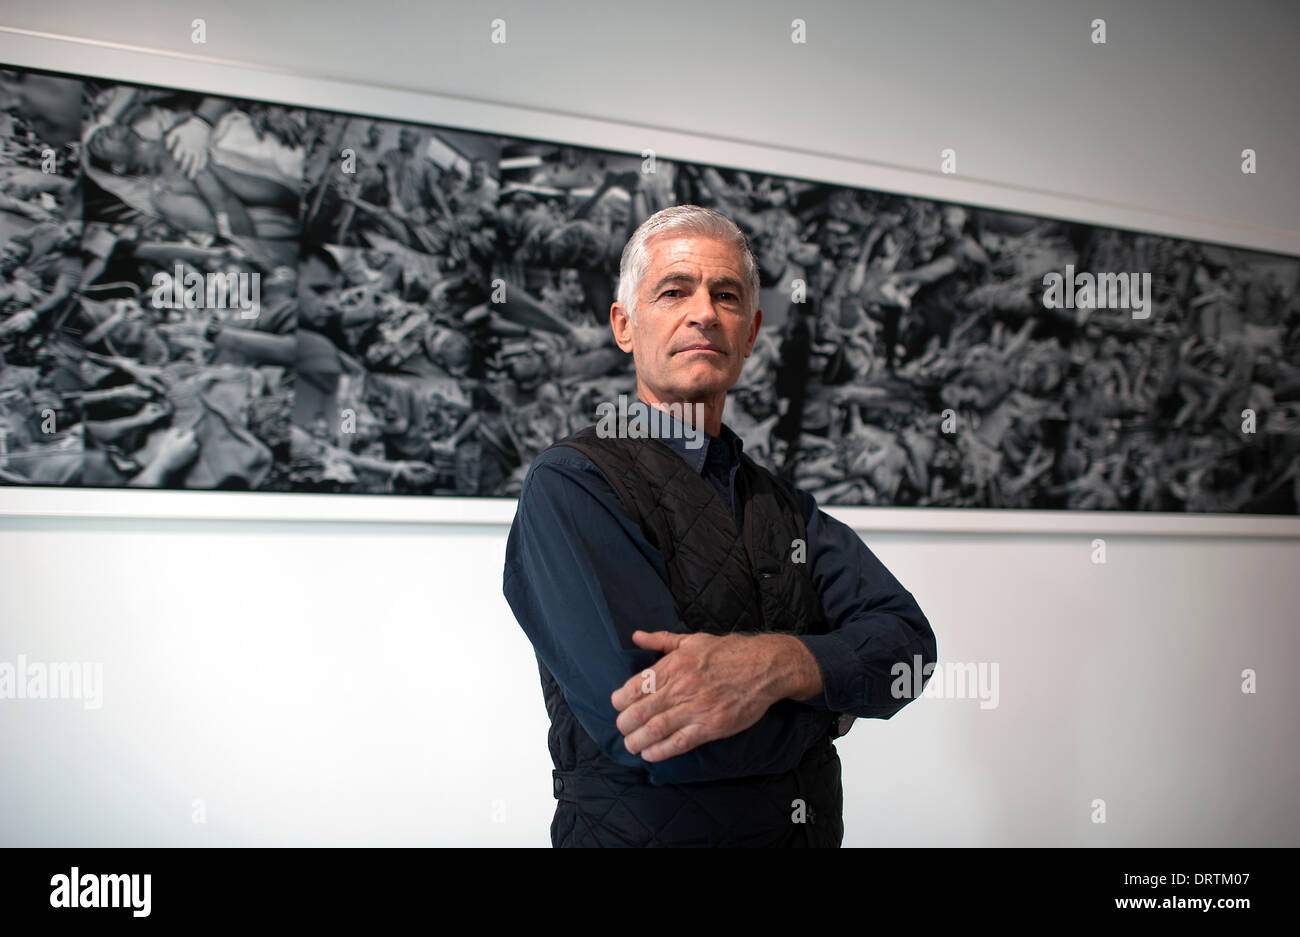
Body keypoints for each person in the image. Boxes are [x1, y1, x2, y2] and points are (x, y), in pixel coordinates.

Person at [502, 205, 937, 847]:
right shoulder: (573, 485)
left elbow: (909, 645)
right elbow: (652, 733)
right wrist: (834, 700)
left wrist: (779, 665)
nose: (703, 311)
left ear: (751, 331)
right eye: (675, 291)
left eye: (726, 295)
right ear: (625, 325)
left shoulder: (785, 508)